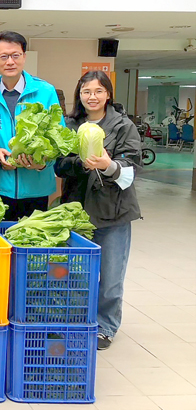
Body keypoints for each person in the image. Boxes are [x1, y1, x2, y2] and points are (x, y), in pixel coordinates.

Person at [55, 71, 142, 350]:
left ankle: (105, 325)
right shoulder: (69, 125)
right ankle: (79, 320)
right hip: (76, 210)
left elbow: (131, 171)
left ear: (108, 94)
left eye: (98, 91)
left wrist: (108, 165)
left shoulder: (123, 126)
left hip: (113, 211)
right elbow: (58, 165)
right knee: (76, 273)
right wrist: (80, 164)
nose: (92, 97)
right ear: (79, 95)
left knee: (111, 275)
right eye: (86, 91)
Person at [0, 31, 62, 220]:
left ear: (24, 57)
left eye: (15, 55)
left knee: (30, 244)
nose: (10, 62)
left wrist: (42, 162)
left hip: (36, 188)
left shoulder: (45, 91)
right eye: (3, 56)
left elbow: (58, 138)